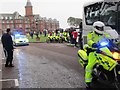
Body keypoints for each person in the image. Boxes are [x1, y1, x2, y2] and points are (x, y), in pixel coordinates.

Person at [84, 21, 111, 88]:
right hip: (93, 51)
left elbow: (110, 38)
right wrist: (93, 44)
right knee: (89, 66)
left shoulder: (104, 34)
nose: (100, 29)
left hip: (103, 50)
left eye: (101, 28)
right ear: (95, 28)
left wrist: (115, 40)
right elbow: (89, 40)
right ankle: (88, 82)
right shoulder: (91, 34)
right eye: (99, 28)